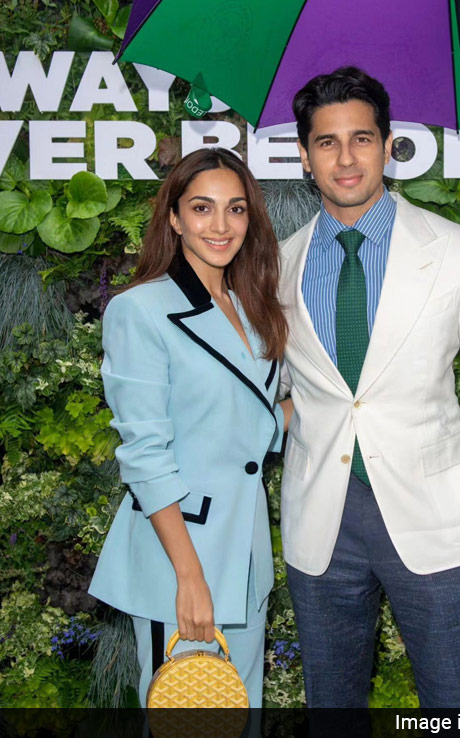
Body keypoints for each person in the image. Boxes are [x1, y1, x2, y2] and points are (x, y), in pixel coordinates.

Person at [276, 67, 460, 708]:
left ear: (389, 144)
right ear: (304, 156)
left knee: (458, 703)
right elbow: (272, 382)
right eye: (327, 142)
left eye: (362, 139)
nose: (346, 158)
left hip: (430, 517)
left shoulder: (456, 252)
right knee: (332, 709)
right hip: (321, 523)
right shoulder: (276, 262)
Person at [88, 147, 290, 707]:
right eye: (202, 208)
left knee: (237, 713)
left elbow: (244, 428)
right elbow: (146, 454)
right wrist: (189, 576)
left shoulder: (254, 307)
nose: (220, 225)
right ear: (174, 218)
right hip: (181, 558)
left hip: (245, 556)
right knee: (187, 716)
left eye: (236, 209)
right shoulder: (141, 310)